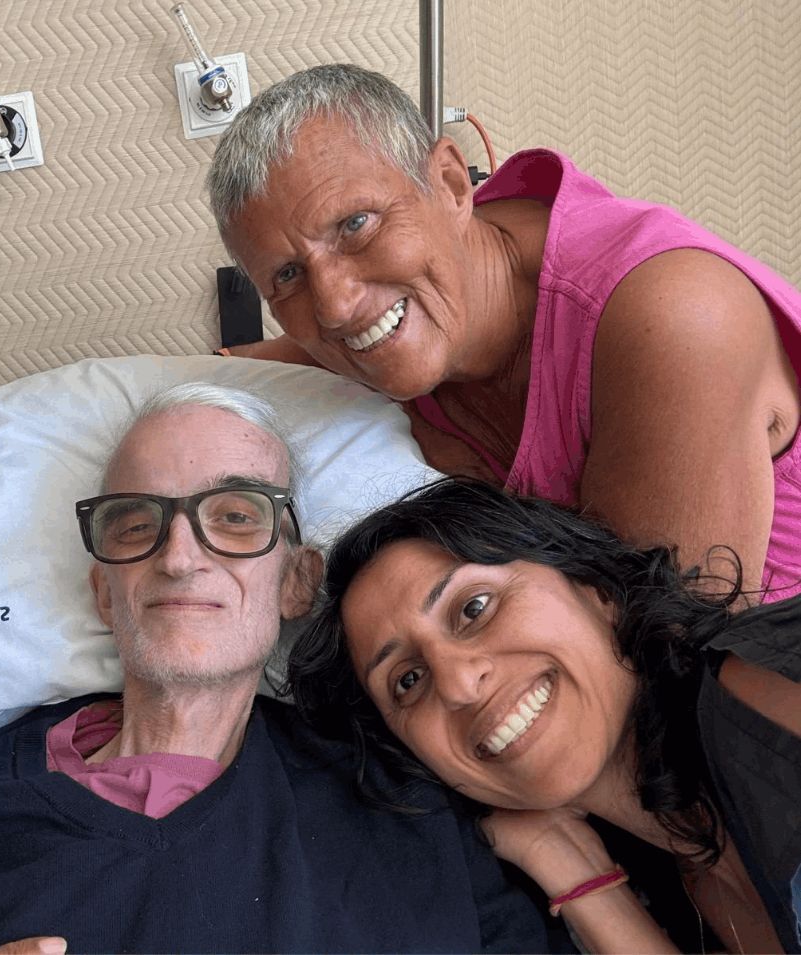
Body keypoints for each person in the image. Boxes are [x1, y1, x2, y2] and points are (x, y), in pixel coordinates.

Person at [0, 384, 548, 954]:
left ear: (297, 580)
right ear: (103, 592)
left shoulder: (404, 804)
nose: (178, 556)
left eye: (236, 517)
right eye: (136, 524)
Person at [208, 62, 801, 606]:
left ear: (449, 184)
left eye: (356, 224)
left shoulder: (674, 318)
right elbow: (264, 357)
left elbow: (668, 653)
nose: (336, 306)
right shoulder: (387, 314)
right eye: (287, 275)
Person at [287, 476, 801, 954]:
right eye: (408, 680)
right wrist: (570, 869)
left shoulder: (764, 684)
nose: (459, 685)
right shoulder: (678, 881)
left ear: (594, 586)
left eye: (474, 608)